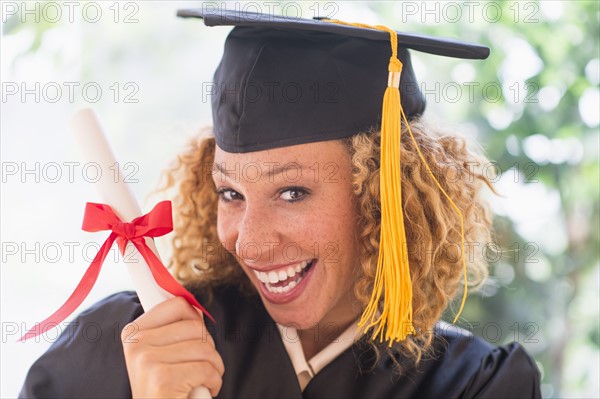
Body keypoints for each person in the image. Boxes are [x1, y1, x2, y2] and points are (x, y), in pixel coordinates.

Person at [19, 9, 541, 399]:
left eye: (292, 192)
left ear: (385, 196)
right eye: (231, 193)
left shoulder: (473, 385)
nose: (249, 240)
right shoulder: (129, 346)